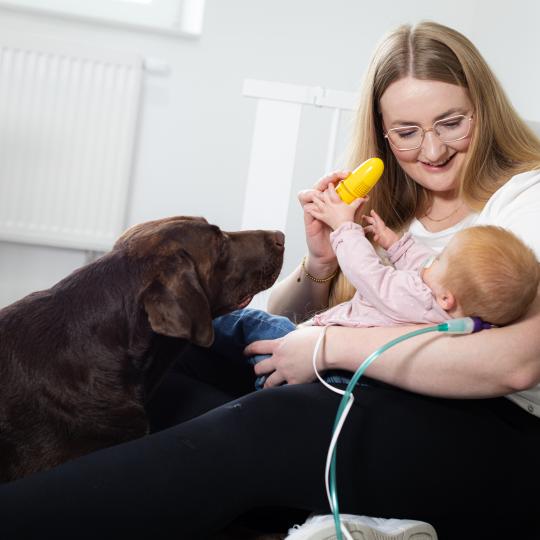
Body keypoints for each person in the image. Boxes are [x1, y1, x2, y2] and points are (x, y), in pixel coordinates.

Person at [0, 21, 540, 540]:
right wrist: (321, 263)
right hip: (359, 388)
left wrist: (330, 345)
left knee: (259, 424)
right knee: (172, 352)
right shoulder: (381, 210)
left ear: (484, 110)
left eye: (451, 123)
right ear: (380, 131)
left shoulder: (524, 198)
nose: (432, 150)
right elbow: (289, 333)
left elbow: (517, 361)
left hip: (486, 433)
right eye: (406, 131)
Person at [211, 189, 539, 390]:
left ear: (446, 297)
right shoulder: (441, 301)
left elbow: (372, 276)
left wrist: (345, 228)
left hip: (311, 356)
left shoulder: (415, 294)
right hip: (323, 366)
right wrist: (396, 243)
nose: (430, 262)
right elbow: (421, 265)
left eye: (440, 258)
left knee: (244, 323)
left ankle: (204, 324)